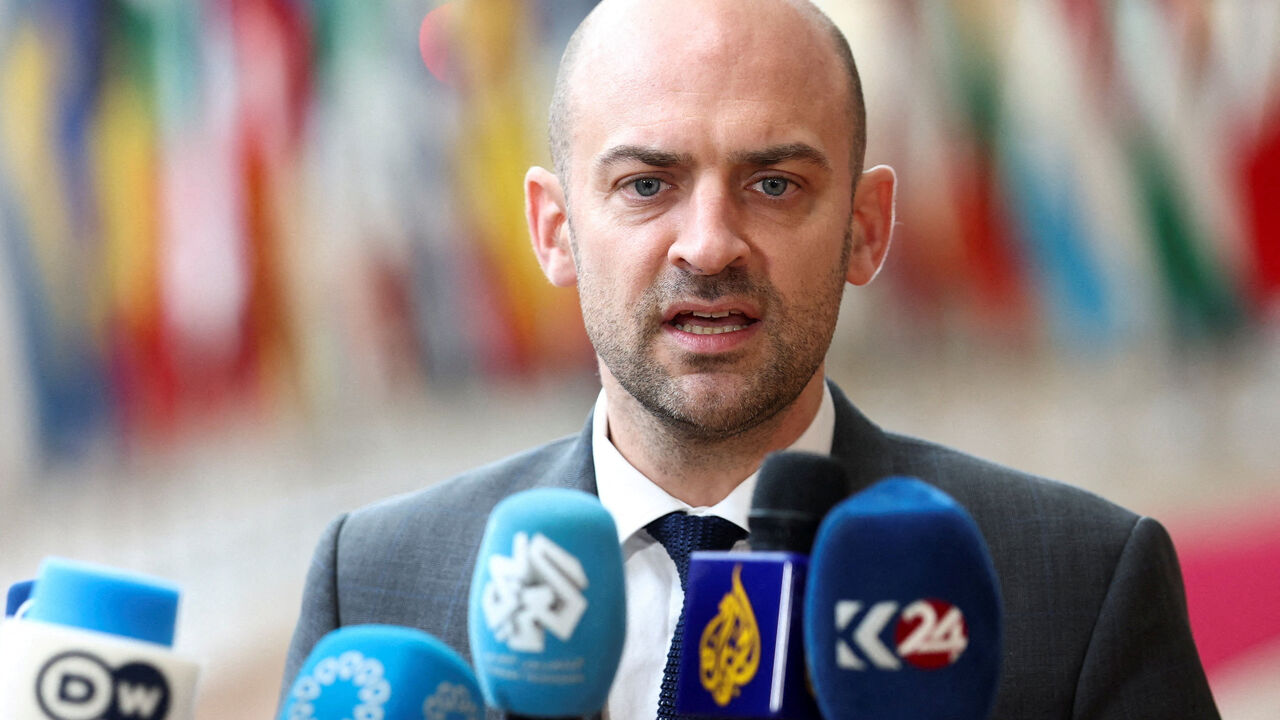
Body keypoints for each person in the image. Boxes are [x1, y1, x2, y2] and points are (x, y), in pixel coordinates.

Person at [280, 1, 1219, 718]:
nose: (710, 243)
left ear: (867, 227)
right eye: (648, 184)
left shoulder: (1081, 586)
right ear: (554, 231)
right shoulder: (371, 591)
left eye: (773, 184)